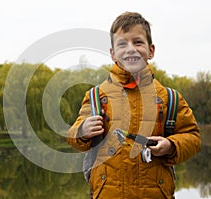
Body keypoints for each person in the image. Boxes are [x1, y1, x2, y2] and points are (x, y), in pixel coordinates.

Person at [66, 11, 201, 199]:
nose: (130, 49)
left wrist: (171, 145)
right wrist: (82, 131)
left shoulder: (169, 98)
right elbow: (73, 137)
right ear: (113, 53)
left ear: (151, 50)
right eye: (122, 44)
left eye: (138, 42)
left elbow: (193, 138)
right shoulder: (97, 96)